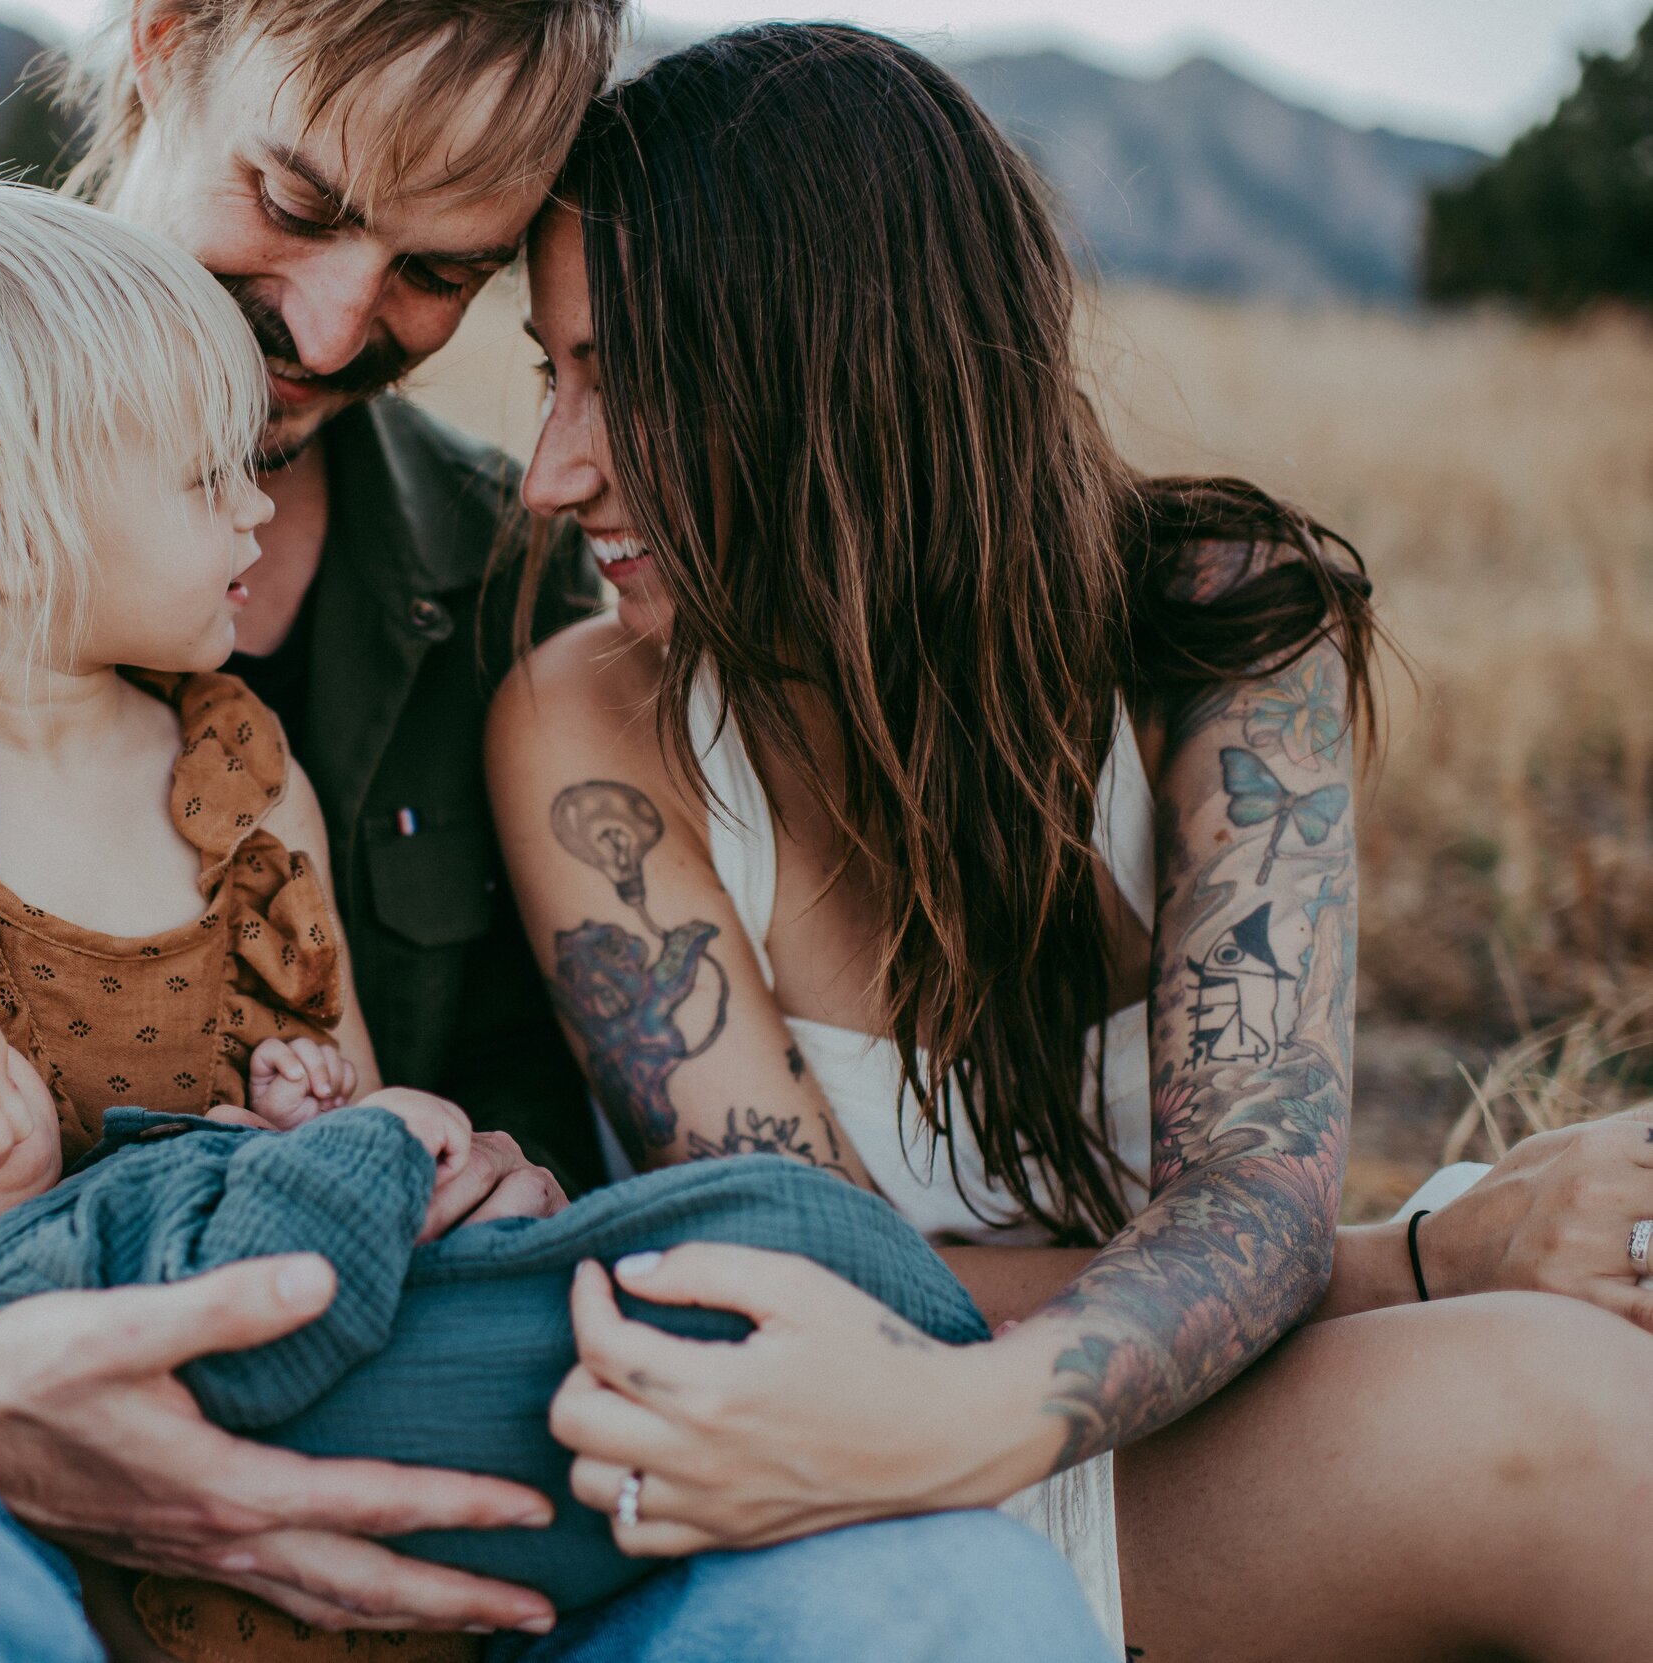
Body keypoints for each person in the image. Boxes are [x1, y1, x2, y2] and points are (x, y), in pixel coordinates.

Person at [0, 5, 1118, 1660]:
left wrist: (477, 1167)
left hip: (404, 1539)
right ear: (162, 44)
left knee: (950, 1606)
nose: (333, 329)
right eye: (300, 199)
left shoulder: (506, 591)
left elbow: (561, 1113)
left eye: (439, 272)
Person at [490, 23, 1653, 1662]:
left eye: (625, 379)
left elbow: (1250, 1188)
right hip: (851, 1472)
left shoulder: (1215, 629)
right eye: (556, 373)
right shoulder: (593, 731)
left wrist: (1037, 1388)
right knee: (1578, 1423)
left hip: (1117, 1413)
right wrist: (1430, 1253)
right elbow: (816, 1275)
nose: (552, 471)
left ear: (833, 362)